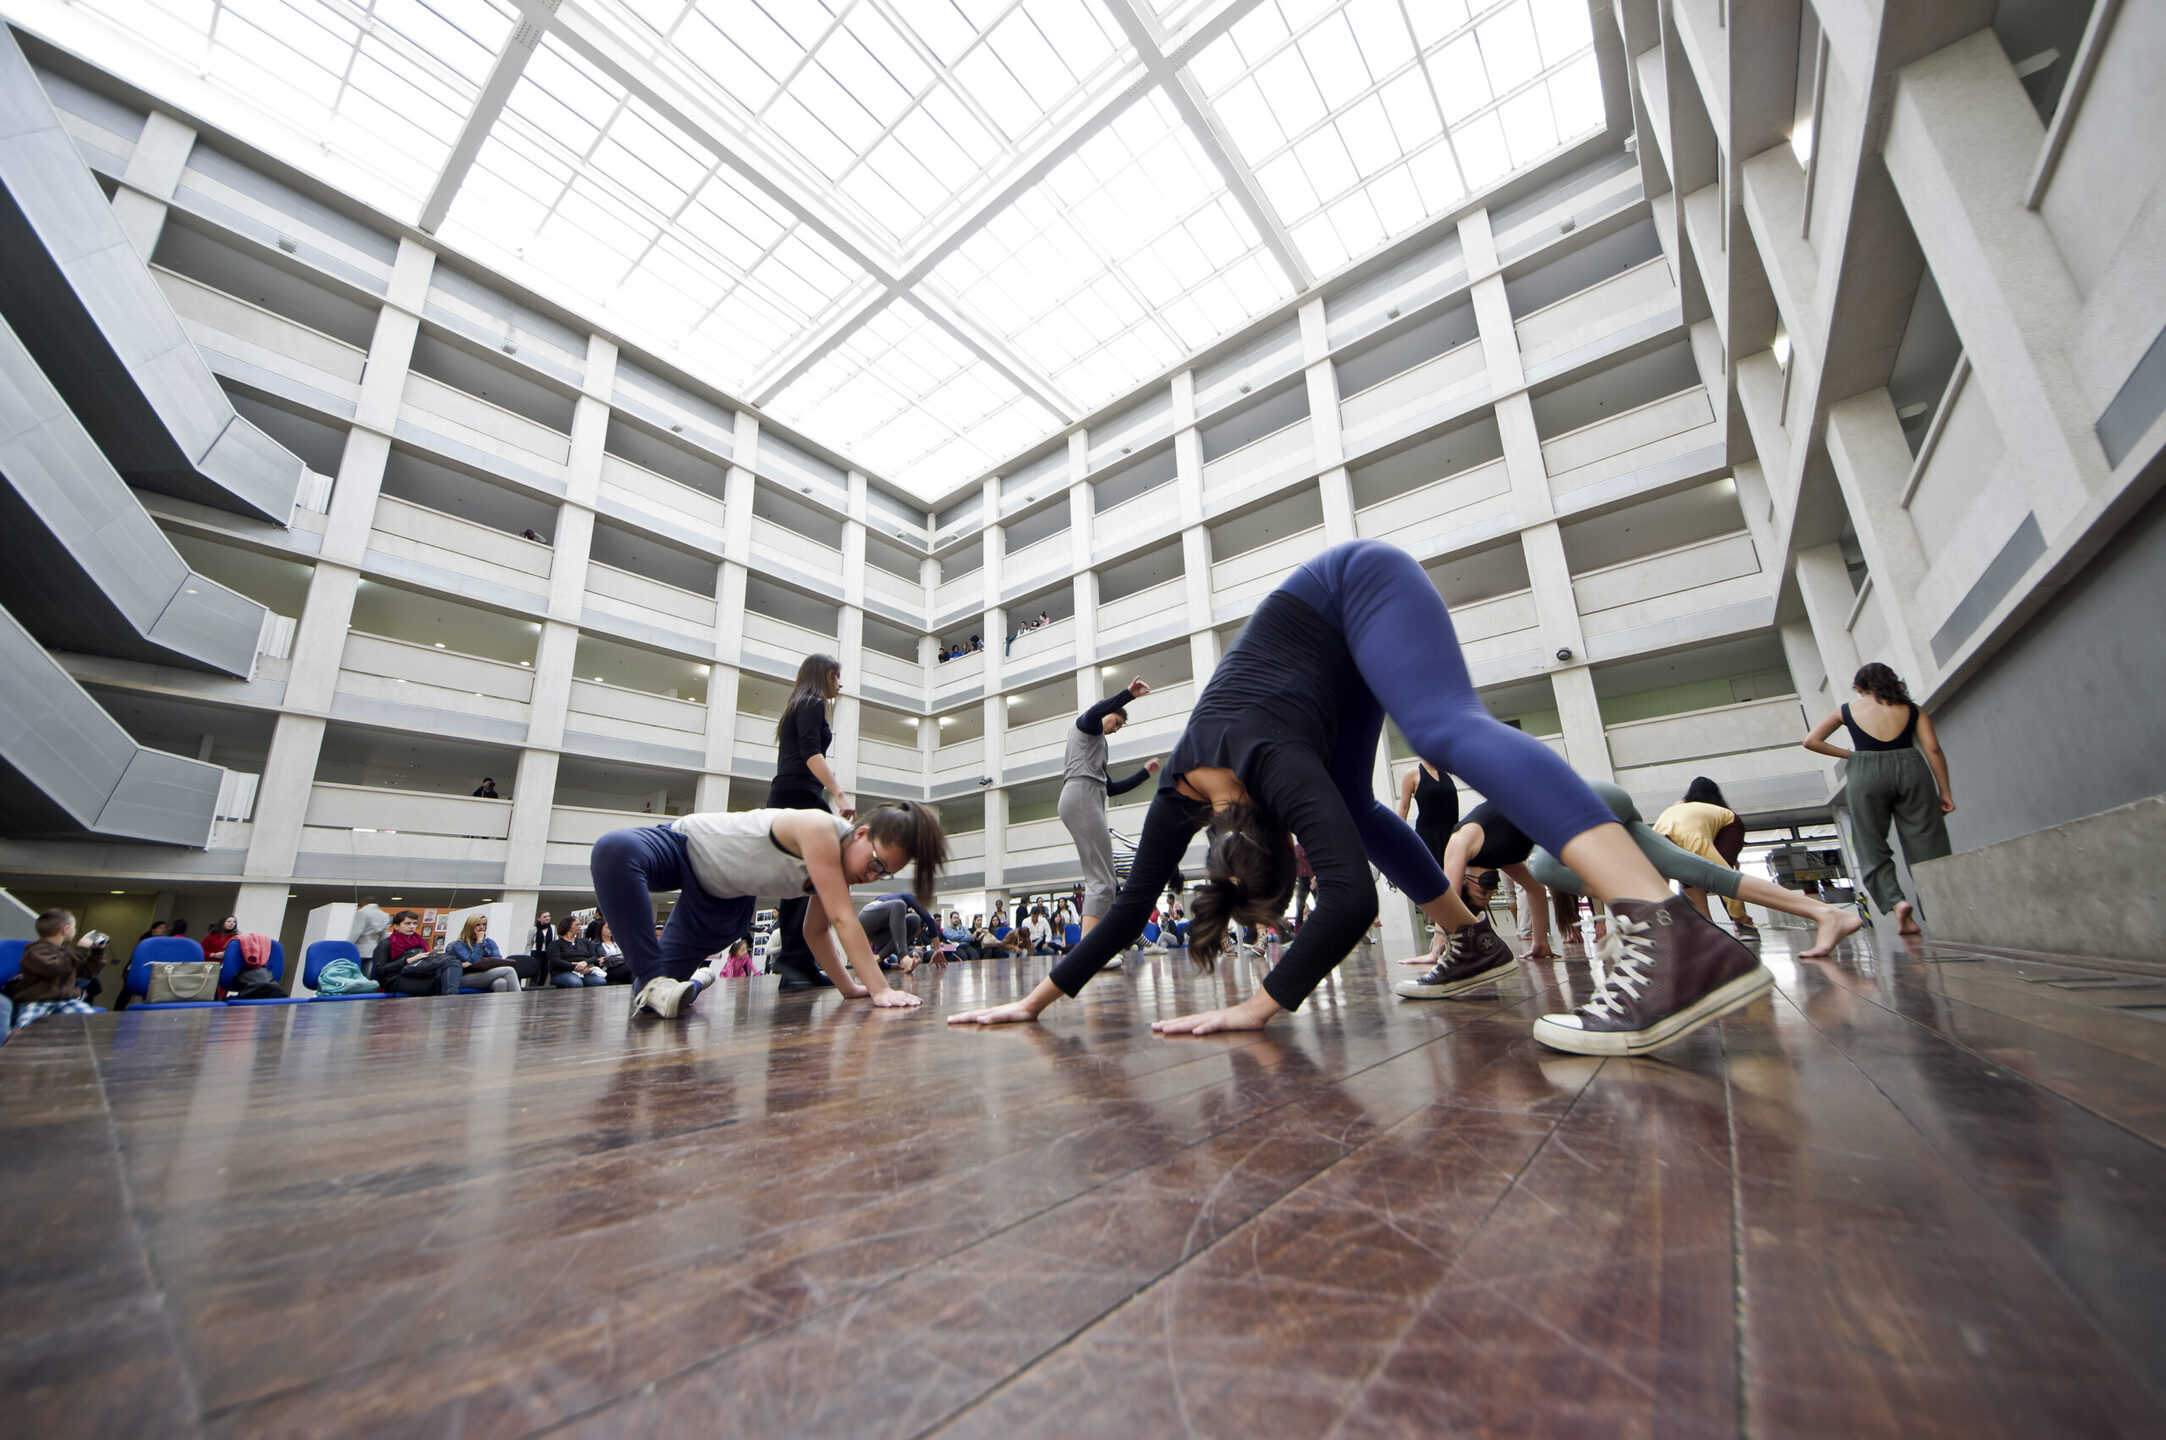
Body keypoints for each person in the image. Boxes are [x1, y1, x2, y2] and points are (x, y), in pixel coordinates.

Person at [951, 539, 1769, 1057]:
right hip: (1327, 662)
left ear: (1275, 832)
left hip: (1358, 586)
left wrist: (1260, 1007)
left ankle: (1663, 930)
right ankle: (1474, 942)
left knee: (1442, 730)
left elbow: (1344, 904)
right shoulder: (1181, 794)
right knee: (1356, 798)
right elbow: (1130, 909)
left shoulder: (1268, 764)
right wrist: (1032, 1002)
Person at [1410, 780, 1861, 1001]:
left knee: (1548, 862)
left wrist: (1437, 948)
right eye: (1488, 890)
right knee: (1696, 870)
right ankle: (1825, 913)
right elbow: (1534, 893)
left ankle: (1662, 920)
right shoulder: (1502, 854)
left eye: (1485, 886)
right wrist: (1541, 943)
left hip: (1583, 795)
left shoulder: (1460, 841)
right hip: (1603, 804)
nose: (1488, 889)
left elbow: (1445, 895)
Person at [587, 801, 948, 1019]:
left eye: (885, 874)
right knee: (614, 849)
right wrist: (881, 989)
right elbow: (842, 919)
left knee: (652, 1005)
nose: (873, 876)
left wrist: (851, 988)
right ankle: (658, 980)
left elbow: (815, 931)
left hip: (719, 902)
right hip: (685, 845)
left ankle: (690, 982)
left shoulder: (840, 872)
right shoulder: (821, 830)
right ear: (860, 834)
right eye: (876, 863)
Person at [1802, 662, 1954, 936]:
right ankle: (1940, 911)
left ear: (1860, 687)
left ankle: (1897, 905)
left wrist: (1852, 756)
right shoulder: (1912, 709)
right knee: (1927, 842)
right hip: (1911, 768)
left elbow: (1811, 740)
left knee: (1870, 843)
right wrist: (1944, 791)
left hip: (1866, 771)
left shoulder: (1847, 710)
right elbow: (1933, 748)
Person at [766, 654, 854, 992]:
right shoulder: (811, 702)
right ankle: (794, 963)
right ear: (824, 676)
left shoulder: (802, 703)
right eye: (836, 676)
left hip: (797, 793)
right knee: (807, 881)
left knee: (806, 882)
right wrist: (840, 795)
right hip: (798, 794)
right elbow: (810, 753)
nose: (839, 684)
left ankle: (799, 962)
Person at [1058, 676, 1162, 943]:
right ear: (1107, 714)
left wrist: (1144, 774)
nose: (1114, 729)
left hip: (1088, 797)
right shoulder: (1086, 726)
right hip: (1081, 795)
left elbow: (1111, 788)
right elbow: (1095, 711)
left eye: (1118, 729)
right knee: (1101, 880)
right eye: (1115, 723)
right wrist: (1127, 694)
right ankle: (1088, 951)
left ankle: (1096, 946)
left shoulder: (1099, 746)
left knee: (1105, 878)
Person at [1394, 759, 1464, 967]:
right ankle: (1438, 943)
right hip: (1428, 837)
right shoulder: (1412, 774)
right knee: (1438, 889)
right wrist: (1398, 842)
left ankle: (1448, 941)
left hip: (1451, 834)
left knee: (1456, 886)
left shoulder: (1447, 772)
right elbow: (1403, 809)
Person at [1652, 778, 1750, 924]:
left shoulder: (1694, 842)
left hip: (1729, 825)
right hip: (1690, 830)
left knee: (1721, 876)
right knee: (1689, 878)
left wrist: (1741, 918)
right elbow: (1657, 891)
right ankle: (1705, 925)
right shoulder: (1653, 847)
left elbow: (1725, 877)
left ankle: (1743, 924)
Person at [6, 910, 104, 1031]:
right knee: (25, 1030)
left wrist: (97, 953)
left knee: (93, 1025)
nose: (75, 930)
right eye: (74, 927)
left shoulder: (66, 953)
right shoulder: (35, 951)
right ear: (65, 929)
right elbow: (56, 968)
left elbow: (86, 972)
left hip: (66, 1001)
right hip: (37, 1000)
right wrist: (81, 949)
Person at [377, 911, 448, 996]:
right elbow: (380, 970)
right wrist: (409, 960)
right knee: (436, 986)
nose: (412, 927)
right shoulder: (387, 943)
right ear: (396, 926)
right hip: (395, 978)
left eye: (414, 923)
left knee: (449, 968)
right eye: (408, 923)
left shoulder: (419, 942)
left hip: (419, 973)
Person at [448, 915, 519, 992]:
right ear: (469, 927)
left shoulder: (489, 942)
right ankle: (519, 1001)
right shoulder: (458, 945)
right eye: (478, 925)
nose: (482, 927)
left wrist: (487, 962)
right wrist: (479, 941)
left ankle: (499, 1004)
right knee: (509, 970)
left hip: (486, 974)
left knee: (501, 983)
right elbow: (473, 962)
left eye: (484, 924)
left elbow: (497, 960)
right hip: (464, 977)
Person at [348, 897, 390, 972]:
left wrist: (347, 945)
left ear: (363, 902)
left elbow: (356, 932)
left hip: (360, 948)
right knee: (368, 974)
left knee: (355, 973)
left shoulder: (362, 912)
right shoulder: (385, 915)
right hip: (375, 947)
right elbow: (384, 935)